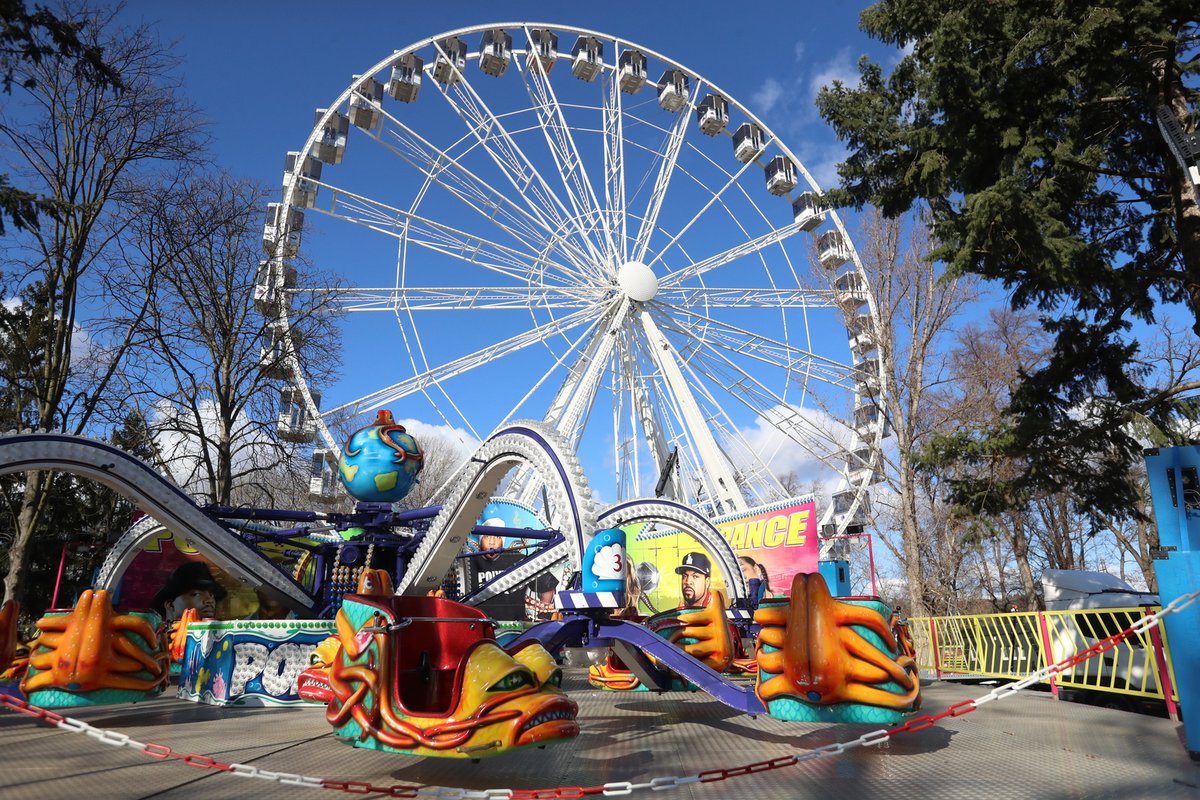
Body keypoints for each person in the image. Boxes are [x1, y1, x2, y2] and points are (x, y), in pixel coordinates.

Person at [152, 561, 227, 622]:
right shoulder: (155, 638)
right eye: (196, 594)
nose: (209, 600)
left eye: (212, 595)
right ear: (170, 605)